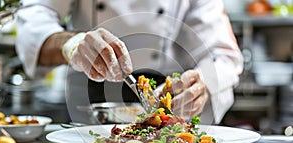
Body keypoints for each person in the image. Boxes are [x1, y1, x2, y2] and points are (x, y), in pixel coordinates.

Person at [15, 0, 243, 124]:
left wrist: (202, 82)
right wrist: (72, 44)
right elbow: (34, 19)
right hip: (89, 102)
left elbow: (223, 55)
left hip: (167, 99)